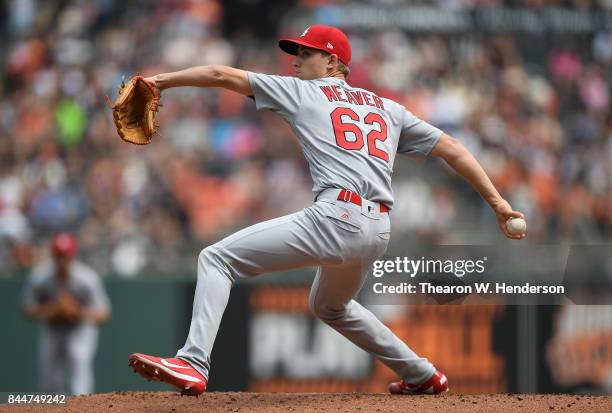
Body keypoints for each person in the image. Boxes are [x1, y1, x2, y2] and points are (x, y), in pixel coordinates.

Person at [128, 25, 525, 396]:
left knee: (216, 259)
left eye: (307, 53)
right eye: (296, 52)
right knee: (330, 306)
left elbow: (219, 74)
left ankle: (192, 362)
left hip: (337, 216)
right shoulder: (388, 108)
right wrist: (500, 204)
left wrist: (159, 81)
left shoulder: (303, 93)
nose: (296, 59)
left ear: (333, 63)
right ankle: (421, 374)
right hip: (377, 229)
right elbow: (452, 148)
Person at [22, 233, 111, 395]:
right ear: (52, 255)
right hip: (53, 327)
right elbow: (27, 308)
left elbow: (104, 314)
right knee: (50, 380)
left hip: (80, 328)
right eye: (58, 256)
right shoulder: (40, 277)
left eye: (65, 256)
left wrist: (77, 311)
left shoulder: (87, 278)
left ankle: (83, 406)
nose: (62, 261)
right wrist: (52, 309)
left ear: (73, 256)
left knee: (79, 361)